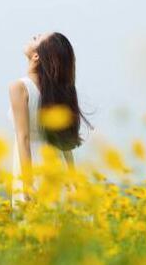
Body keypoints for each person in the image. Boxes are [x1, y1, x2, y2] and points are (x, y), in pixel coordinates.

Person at [7, 32, 92, 209]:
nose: (32, 36)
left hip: (30, 165)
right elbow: (63, 142)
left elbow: (24, 138)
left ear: (36, 56)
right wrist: (72, 180)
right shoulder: (57, 91)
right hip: (56, 165)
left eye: (36, 38)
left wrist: (27, 183)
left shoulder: (19, 87)